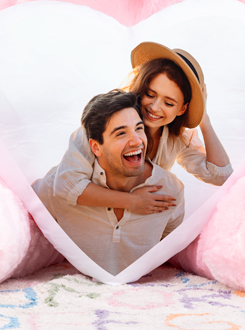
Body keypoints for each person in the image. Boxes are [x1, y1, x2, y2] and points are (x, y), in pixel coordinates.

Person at [53, 42, 232, 216]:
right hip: (52, 211)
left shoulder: (178, 139)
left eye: (169, 103)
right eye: (150, 94)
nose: (154, 107)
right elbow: (65, 186)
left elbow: (222, 176)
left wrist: (204, 119)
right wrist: (131, 201)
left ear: (182, 109)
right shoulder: (105, 119)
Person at [32, 90, 184, 275]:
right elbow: (24, 212)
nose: (136, 141)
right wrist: (131, 201)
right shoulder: (56, 186)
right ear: (95, 147)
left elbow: (171, 244)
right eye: (121, 133)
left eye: (139, 128)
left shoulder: (170, 191)